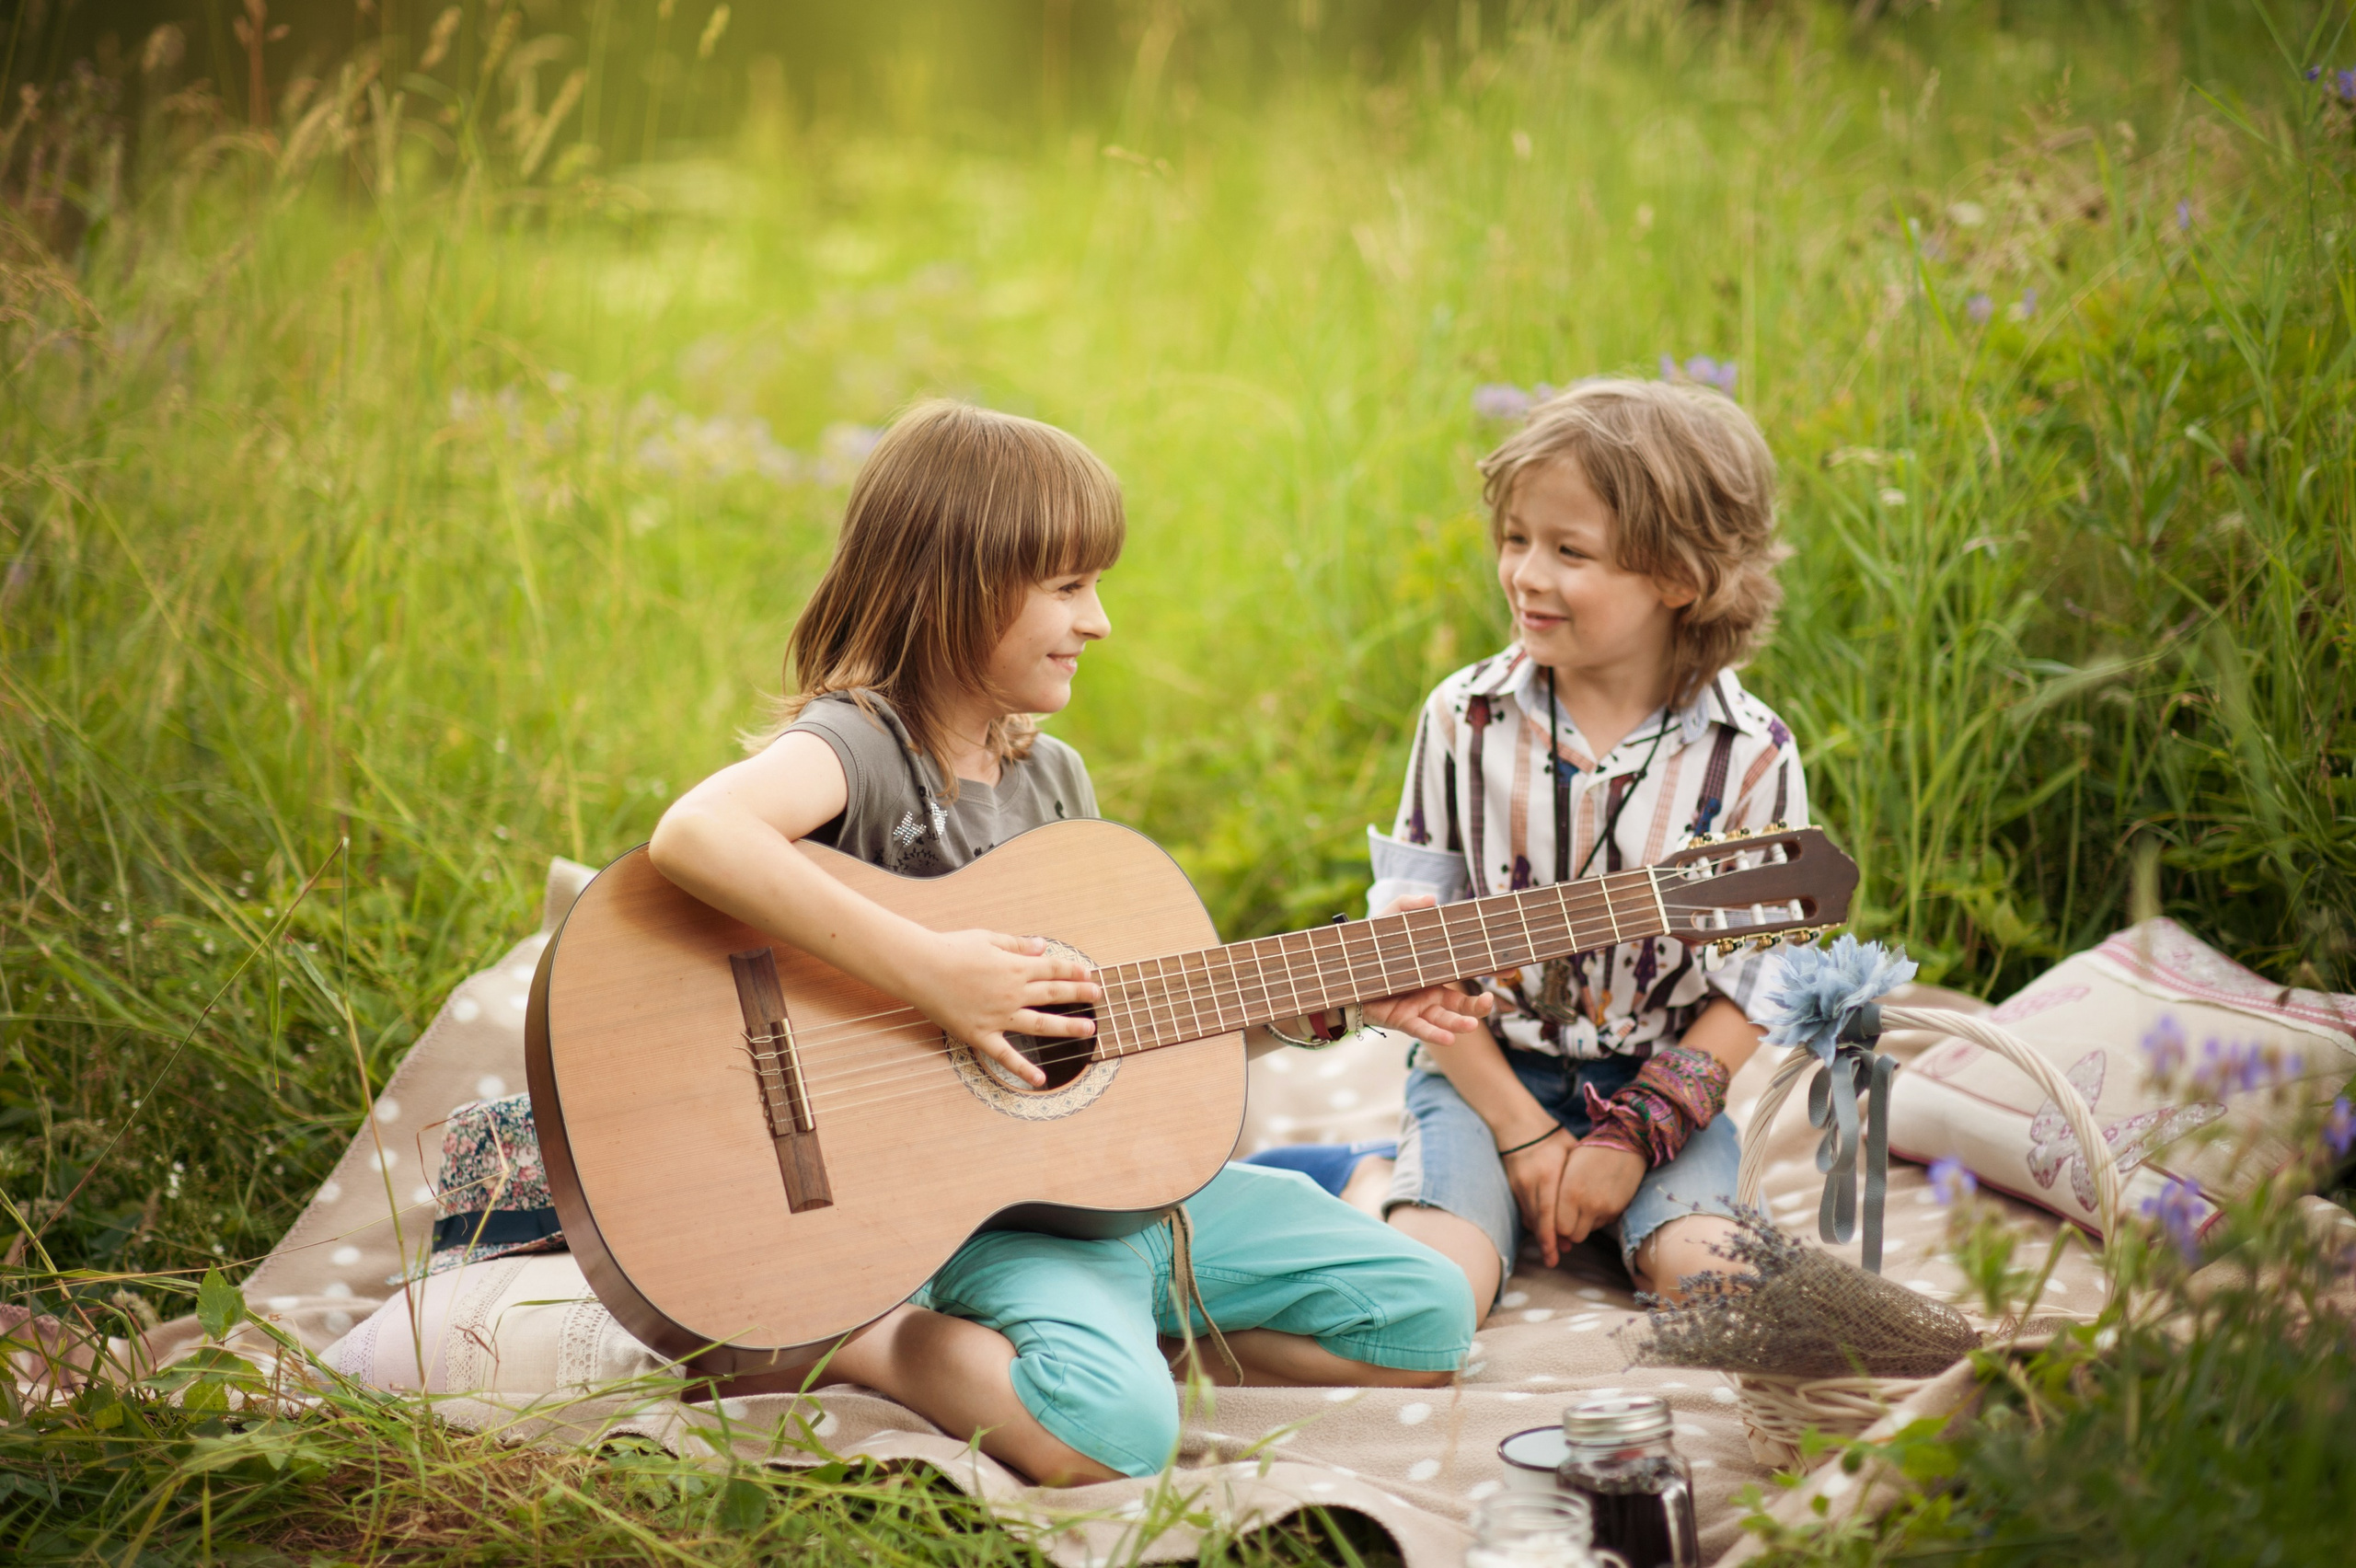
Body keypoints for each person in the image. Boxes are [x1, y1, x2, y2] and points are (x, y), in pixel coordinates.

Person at [648, 400, 1472, 1487]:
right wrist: (937, 975)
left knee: (1426, 1317)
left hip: (1119, 1198)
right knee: (1108, 1437)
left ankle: (1128, 1331)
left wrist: (1340, 1002)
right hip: (978, 1219)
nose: (1101, 622)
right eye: (1069, 587)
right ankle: (865, 1338)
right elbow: (695, 833)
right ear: (957, 583)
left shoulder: (1055, 780)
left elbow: (1111, 1036)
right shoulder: (862, 744)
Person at [1338, 378, 1804, 1322]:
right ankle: (1373, 1175)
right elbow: (1414, 956)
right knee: (1424, 1299)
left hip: (1657, 1091)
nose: (1525, 575)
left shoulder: (1750, 752)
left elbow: (1755, 986)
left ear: (1677, 577)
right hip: (1486, 1075)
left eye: (1569, 551)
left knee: (1726, 1290)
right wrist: (1520, 1135)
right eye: (1515, 539)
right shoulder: (1463, 719)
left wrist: (1628, 1140)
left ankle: (1620, 1214)